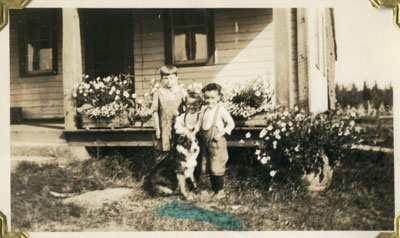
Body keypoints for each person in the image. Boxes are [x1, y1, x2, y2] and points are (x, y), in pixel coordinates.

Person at [199, 83, 235, 197]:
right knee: (208, 166)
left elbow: (231, 124)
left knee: (217, 165)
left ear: (219, 97)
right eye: (207, 97)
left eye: (212, 98)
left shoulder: (221, 110)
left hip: (216, 143)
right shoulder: (204, 110)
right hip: (205, 142)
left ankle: (220, 191)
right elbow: (199, 124)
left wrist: (221, 133)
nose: (209, 100)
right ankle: (213, 189)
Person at [151, 65, 186, 155]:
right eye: (166, 78)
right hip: (164, 126)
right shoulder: (158, 93)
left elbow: (187, 110)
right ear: (162, 79)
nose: (169, 81)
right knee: (166, 152)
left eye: (172, 78)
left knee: (180, 150)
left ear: (176, 78)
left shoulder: (181, 91)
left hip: (179, 126)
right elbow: (155, 111)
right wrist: (158, 129)